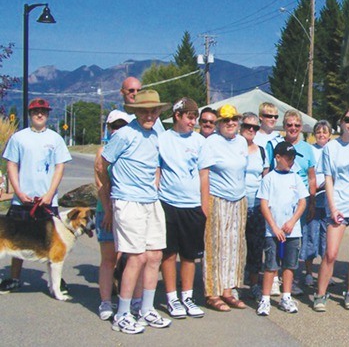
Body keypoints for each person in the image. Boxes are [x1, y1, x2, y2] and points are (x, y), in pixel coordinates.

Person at [97, 90, 171, 334]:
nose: (149, 115)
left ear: (159, 112)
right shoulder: (125, 134)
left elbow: (155, 166)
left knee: (154, 256)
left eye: (153, 110)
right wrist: (110, 191)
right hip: (127, 201)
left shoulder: (155, 135)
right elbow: (103, 164)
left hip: (151, 200)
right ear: (136, 112)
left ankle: (146, 309)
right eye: (144, 110)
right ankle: (122, 314)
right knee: (136, 257)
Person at [1, 98, 72, 294]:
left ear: (48, 114)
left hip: (47, 200)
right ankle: (15, 278)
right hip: (22, 200)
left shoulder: (55, 139)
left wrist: (49, 194)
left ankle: (55, 283)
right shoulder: (19, 138)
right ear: (30, 114)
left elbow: (60, 167)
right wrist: (19, 192)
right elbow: (11, 166)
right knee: (17, 240)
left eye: (43, 111)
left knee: (52, 242)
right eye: (35, 112)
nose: (39, 114)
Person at [313, 109, 349, 311]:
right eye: (348, 119)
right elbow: (328, 178)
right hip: (338, 203)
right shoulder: (331, 147)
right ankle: (320, 293)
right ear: (341, 122)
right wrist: (333, 207)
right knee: (330, 253)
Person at [158, 98, 207, 319]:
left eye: (195, 117)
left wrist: (204, 207)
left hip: (192, 205)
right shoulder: (163, 139)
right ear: (177, 115)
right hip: (168, 203)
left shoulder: (199, 141)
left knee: (190, 255)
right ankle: (172, 298)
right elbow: (157, 172)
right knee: (168, 254)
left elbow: (204, 175)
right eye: (189, 117)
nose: (193, 122)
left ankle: (187, 296)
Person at [198, 104, 249, 312]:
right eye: (226, 120)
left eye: (234, 119)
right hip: (217, 199)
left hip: (239, 200)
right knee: (215, 247)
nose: (230, 123)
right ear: (219, 123)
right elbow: (204, 175)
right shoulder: (212, 143)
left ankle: (228, 290)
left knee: (234, 247)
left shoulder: (242, 142)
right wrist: (205, 205)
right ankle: (212, 292)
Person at [266, 109, 317, 296]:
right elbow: (268, 172)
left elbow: (312, 178)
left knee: (294, 243)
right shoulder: (276, 146)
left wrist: (311, 202)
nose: (293, 128)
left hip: (299, 203)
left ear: (301, 127)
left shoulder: (307, 148)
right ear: (284, 126)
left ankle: (290, 280)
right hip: (278, 201)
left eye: (297, 125)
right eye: (289, 125)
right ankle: (273, 278)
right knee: (275, 240)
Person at [256, 141, 309, 316]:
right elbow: (264, 205)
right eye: (288, 158)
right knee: (271, 265)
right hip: (273, 231)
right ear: (277, 157)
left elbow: (302, 201)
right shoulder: (269, 178)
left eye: (293, 158)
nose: (291, 161)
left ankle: (286, 296)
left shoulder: (295, 177)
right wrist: (274, 227)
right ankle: (265, 299)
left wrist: (292, 221)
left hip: (292, 231)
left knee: (289, 265)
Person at [93, 110, 130, 321]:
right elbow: (100, 183)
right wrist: (108, 210)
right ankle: (105, 301)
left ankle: (128, 299)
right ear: (109, 128)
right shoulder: (103, 151)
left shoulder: (130, 150)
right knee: (108, 260)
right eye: (115, 126)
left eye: (122, 125)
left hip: (127, 210)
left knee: (129, 258)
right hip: (106, 211)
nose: (118, 130)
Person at [241, 112, 270, 302]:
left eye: (255, 127)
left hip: (256, 204)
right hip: (237, 202)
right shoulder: (233, 148)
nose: (251, 130)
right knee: (235, 247)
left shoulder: (261, 151)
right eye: (247, 126)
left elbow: (265, 177)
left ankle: (253, 284)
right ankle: (231, 285)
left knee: (255, 247)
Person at [302, 120, 332, 287]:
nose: (321, 134)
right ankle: (308, 272)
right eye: (318, 132)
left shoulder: (333, 149)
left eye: (325, 132)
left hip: (328, 199)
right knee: (310, 236)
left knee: (326, 239)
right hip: (313, 197)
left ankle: (325, 272)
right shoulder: (310, 149)